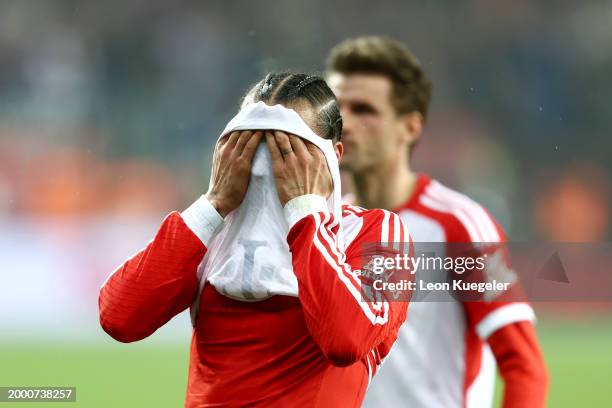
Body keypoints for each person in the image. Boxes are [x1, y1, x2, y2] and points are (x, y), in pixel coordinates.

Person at [98, 72, 411, 407]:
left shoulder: (382, 235)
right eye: (250, 143)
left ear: (333, 155)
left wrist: (305, 211)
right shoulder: (211, 234)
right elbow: (120, 319)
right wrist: (213, 204)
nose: (268, 162)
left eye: (289, 147)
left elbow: (347, 340)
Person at [326, 37, 548, 407]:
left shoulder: (458, 226)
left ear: (410, 127)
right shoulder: (323, 227)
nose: (345, 123)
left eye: (364, 109)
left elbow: (525, 366)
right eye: (337, 108)